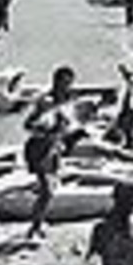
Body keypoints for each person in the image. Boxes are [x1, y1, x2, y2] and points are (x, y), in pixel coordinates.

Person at [21, 66, 82, 242]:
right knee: (47, 191)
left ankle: (38, 222)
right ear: (55, 82)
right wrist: (48, 131)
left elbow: (68, 124)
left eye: (69, 83)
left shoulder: (66, 101)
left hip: (54, 149)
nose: (67, 87)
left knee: (49, 190)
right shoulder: (45, 101)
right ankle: (33, 230)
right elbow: (28, 126)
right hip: (38, 149)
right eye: (64, 83)